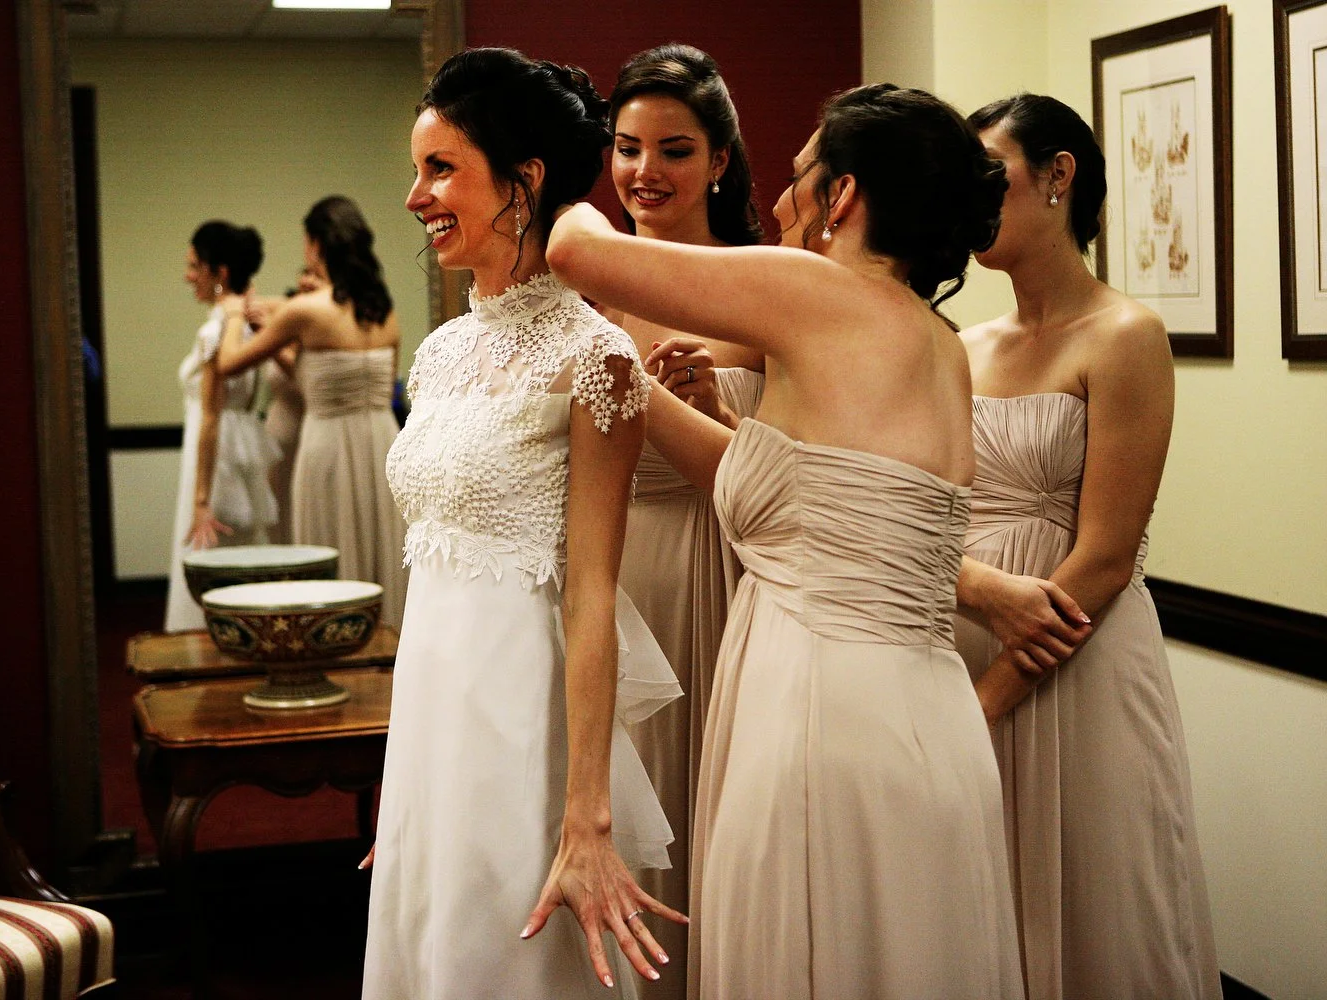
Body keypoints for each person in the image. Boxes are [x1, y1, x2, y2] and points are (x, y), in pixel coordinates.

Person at [549, 84, 1024, 999]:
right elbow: (785, 492)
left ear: (842, 198)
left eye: (800, 176)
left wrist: (555, 164)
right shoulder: (939, 343)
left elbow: (578, 251)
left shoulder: (816, 289)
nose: (777, 202)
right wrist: (646, 390)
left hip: (819, 709)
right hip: (927, 717)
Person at [363, 48, 685, 999]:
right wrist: (407, 766)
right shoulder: (440, 354)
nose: (416, 195)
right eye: (417, 170)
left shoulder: (597, 360)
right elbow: (433, 575)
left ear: (526, 180)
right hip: (435, 722)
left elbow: (591, 596)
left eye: (441, 168)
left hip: (525, 731)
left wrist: (586, 819)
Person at [953, 93, 1220, 1000]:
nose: (971, 193)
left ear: (1059, 174)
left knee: (1099, 902)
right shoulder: (965, 348)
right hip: (967, 633)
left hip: (1077, 656)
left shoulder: (1126, 335)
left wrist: (986, 700)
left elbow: (1107, 555)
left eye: (991, 171)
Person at [602, 43, 765, 997]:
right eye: (626, 148)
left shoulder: (762, 286)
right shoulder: (580, 290)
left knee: (725, 801)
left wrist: (713, 412)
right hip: (618, 572)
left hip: (738, 568)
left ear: (719, 161)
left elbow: (801, 466)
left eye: (673, 149)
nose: (645, 172)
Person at [215, 196, 407, 627]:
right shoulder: (384, 310)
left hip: (328, 446)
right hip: (384, 441)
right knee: (381, 545)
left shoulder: (306, 311)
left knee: (330, 547)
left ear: (317, 244)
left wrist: (232, 317)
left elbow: (230, 363)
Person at [163, 221, 278, 631]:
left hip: (215, 462)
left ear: (221, 272)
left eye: (195, 266)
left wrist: (199, 501)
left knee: (213, 564)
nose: (188, 276)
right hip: (234, 451)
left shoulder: (217, 330)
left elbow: (210, 416)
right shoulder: (244, 324)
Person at [246, 264, 325, 543]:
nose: (307, 280)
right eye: (305, 272)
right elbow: (253, 304)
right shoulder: (288, 317)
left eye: (317, 274)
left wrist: (266, 338)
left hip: (316, 430)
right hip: (282, 430)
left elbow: (303, 375)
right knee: (280, 513)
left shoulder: (329, 323)